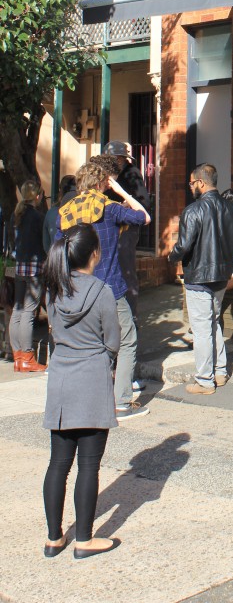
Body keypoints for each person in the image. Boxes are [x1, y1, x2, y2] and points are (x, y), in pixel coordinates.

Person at [42, 224, 121, 559]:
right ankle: (85, 540)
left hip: (61, 379)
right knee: (89, 465)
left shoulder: (54, 290)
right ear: (95, 254)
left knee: (58, 464)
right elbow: (113, 341)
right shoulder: (102, 291)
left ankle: (53, 538)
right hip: (92, 379)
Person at [57, 157, 151, 420]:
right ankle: (121, 402)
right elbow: (144, 217)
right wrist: (122, 192)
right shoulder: (109, 208)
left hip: (76, 287)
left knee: (91, 343)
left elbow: (56, 250)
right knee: (126, 339)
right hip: (110, 287)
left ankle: (90, 398)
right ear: (102, 183)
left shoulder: (65, 212)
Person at [169, 164, 233, 395]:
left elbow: (184, 245)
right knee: (214, 322)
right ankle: (219, 372)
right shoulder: (232, 209)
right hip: (221, 275)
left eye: (192, 183)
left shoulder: (193, 210)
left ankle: (204, 380)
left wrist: (172, 256)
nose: (191, 187)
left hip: (199, 275)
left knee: (202, 328)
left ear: (201, 182)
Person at [103, 141, 152, 321]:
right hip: (110, 228)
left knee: (126, 271)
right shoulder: (107, 175)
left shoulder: (132, 174)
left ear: (121, 159)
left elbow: (144, 202)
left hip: (127, 229)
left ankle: (131, 317)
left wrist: (124, 204)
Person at [10, 180, 47, 373]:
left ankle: (17, 356)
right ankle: (27, 357)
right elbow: (43, 242)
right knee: (28, 312)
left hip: (19, 267)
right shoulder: (38, 217)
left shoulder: (16, 215)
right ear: (38, 196)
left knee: (17, 310)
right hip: (34, 268)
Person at [43, 176, 77, 254]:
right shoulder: (83, 211)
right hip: (75, 259)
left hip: (55, 258)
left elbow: (46, 244)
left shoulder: (51, 213)